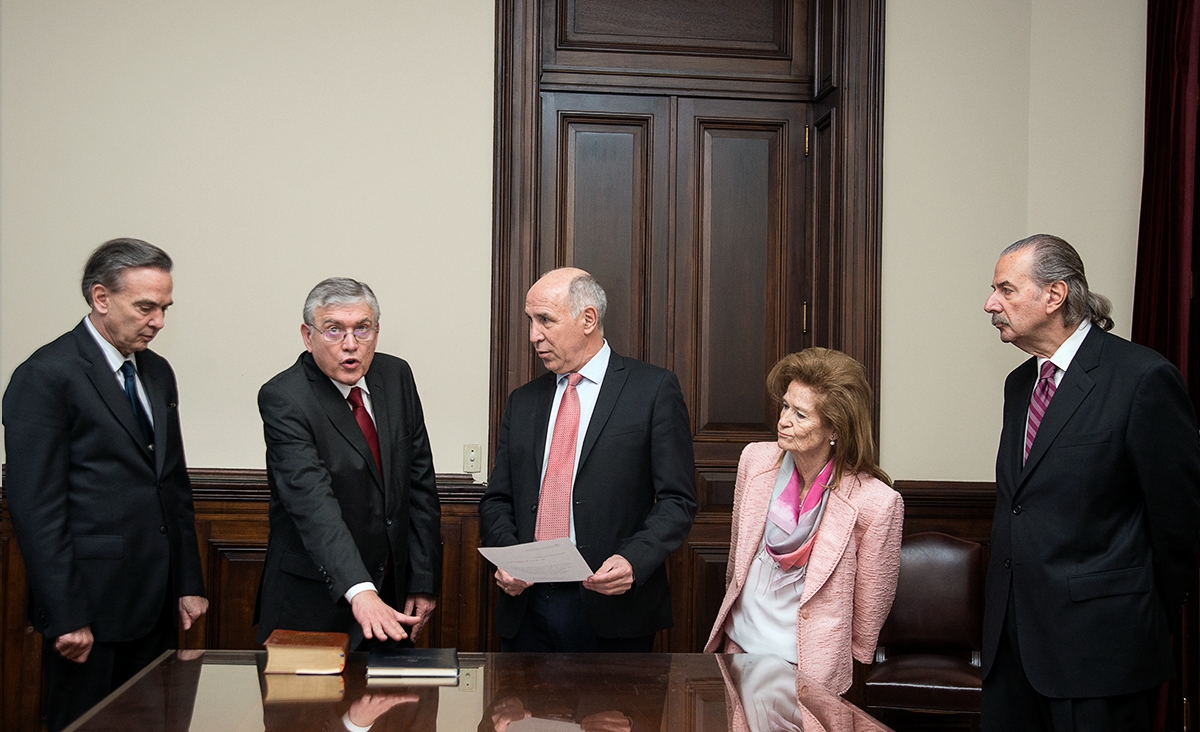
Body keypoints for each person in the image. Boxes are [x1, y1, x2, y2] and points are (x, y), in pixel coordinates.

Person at [981, 234, 1200, 731]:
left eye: (1006, 290)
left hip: (1101, 653)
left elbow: (1178, 524)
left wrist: (1136, 618)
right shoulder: (1020, 385)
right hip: (1012, 650)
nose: (991, 303)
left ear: (1055, 295)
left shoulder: (1142, 378)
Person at [3, 238, 208, 732]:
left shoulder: (157, 372)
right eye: (145, 307)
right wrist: (66, 613)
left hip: (155, 602)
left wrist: (189, 582)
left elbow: (172, 485)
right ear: (100, 298)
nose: (158, 321)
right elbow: (35, 508)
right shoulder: (45, 375)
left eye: (164, 308)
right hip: (89, 609)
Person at [478, 267, 697, 652]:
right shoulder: (523, 401)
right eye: (531, 321)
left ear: (588, 319)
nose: (534, 335)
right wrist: (508, 557)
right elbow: (497, 499)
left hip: (610, 607)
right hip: (525, 608)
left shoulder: (652, 389)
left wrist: (633, 561)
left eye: (545, 320)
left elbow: (678, 501)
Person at [703, 348, 903, 696]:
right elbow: (738, 559)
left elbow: (872, 604)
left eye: (800, 414)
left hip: (811, 669)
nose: (784, 420)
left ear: (835, 429)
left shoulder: (876, 502)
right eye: (784, 406)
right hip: (739, 650)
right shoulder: (754, 461)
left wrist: (848, 659)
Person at [254, 278, 442, 650]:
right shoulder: (285, 398)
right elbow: (313, 506)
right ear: (308, 336)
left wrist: (422, 578)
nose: (351, 344)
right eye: (333, 330)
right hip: (312, 605)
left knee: (392, 709)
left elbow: (419, 484)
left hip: (391, 600)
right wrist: (360, 592)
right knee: (313, 710)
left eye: (362, 329)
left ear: (376, 331)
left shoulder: (396, 376)